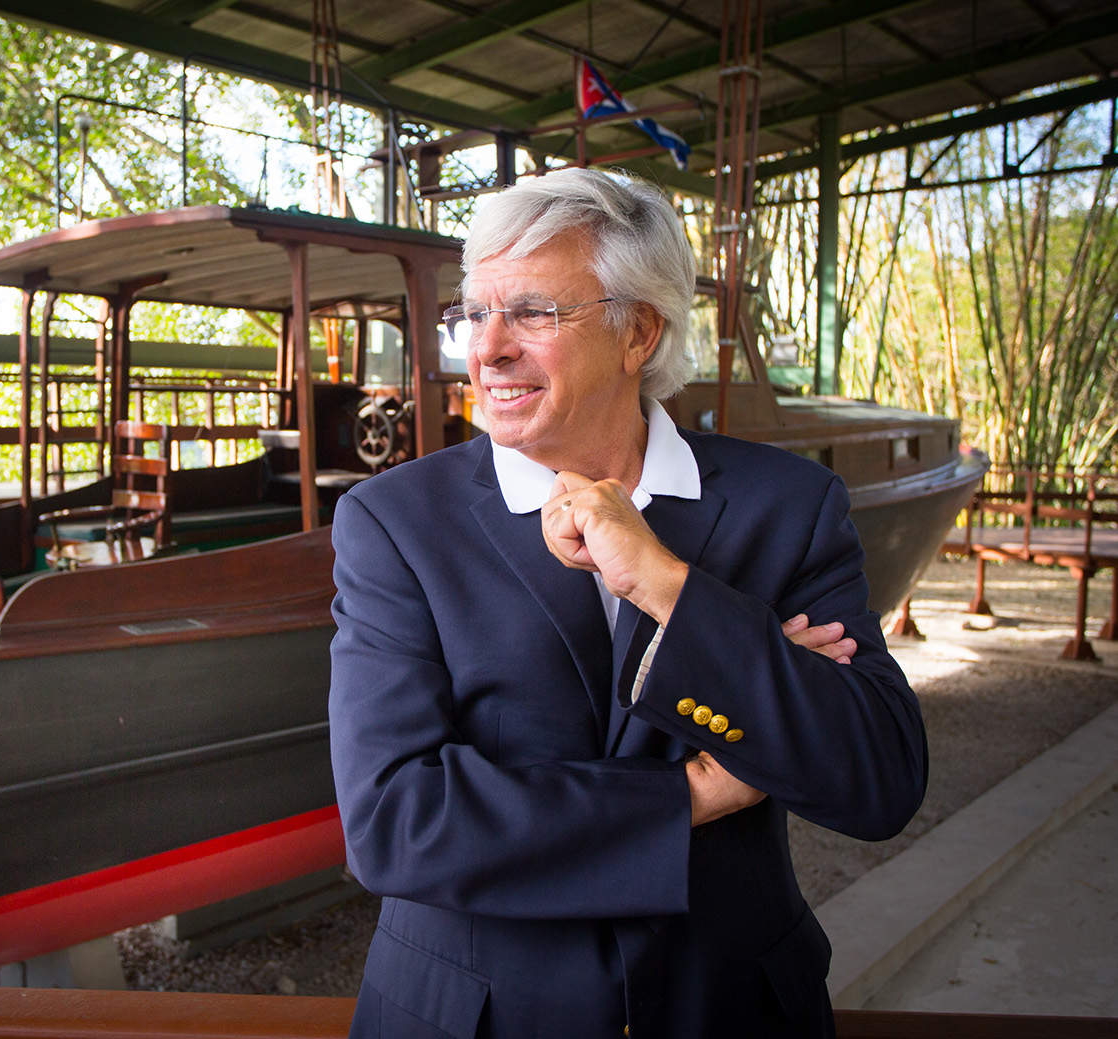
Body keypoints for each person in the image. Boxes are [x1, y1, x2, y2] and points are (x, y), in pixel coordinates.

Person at [327, 168, 927, 1038]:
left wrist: (668, 585)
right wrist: (689, 793)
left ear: (637, 331)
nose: (487, 349)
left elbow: (877, 778)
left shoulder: (788, 508)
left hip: (731, 1012)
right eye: (472, 313)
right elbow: (394, 823)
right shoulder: (394, 524)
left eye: (532, 312)